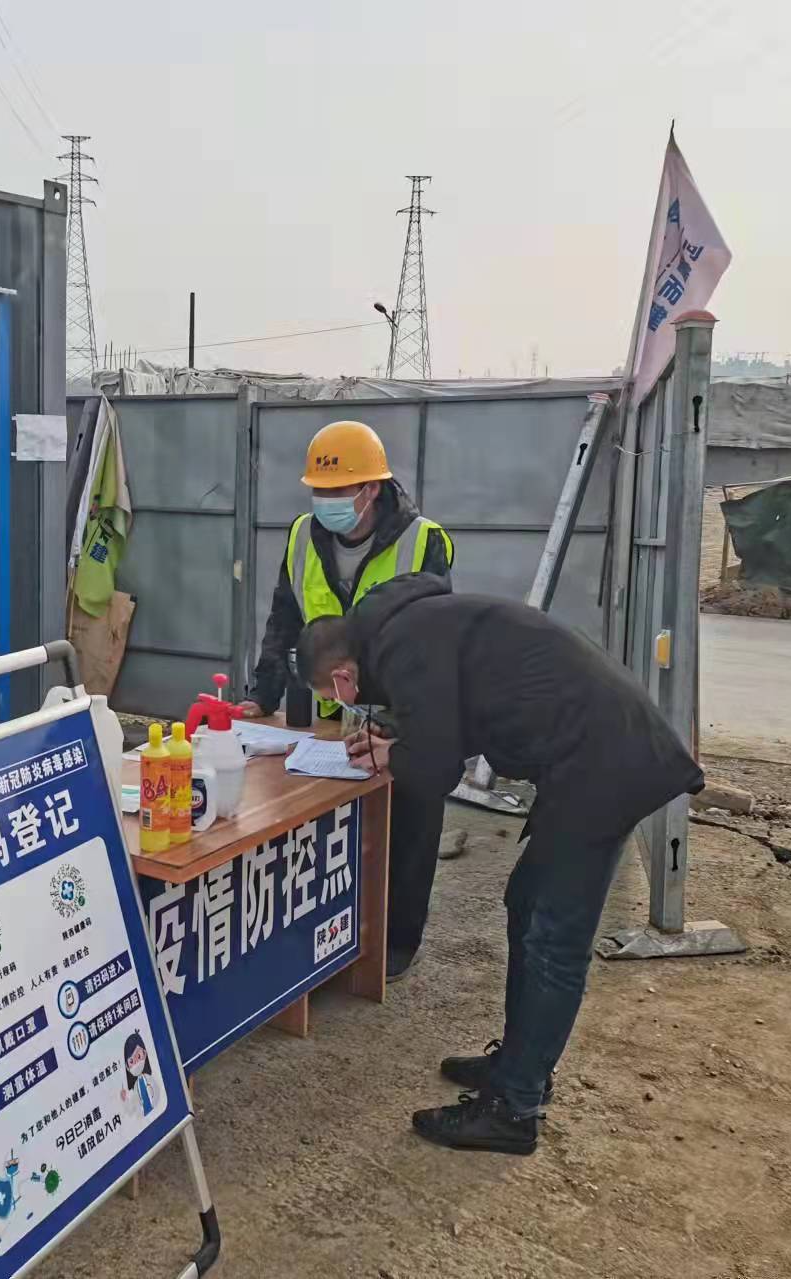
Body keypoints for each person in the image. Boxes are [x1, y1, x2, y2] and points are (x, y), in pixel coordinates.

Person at [296, 575, 701, 1154]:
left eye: (335, 696)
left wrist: (395, 756)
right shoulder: (413, 627)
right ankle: (519, 1064)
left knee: (553, 936)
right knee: (526, 903)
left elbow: (436, 770)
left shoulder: (402, 643)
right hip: (593, 750)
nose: (346, 705)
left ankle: (515, 1109)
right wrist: (398, 740)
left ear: (342, 677)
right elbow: (457, 718)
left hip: (606, 761)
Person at [241, 419, 454, 979]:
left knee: (409, 819)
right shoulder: (302, 536)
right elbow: (283, 618)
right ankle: (331, 934)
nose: (327, 501)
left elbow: (435, 639)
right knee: (322, 820)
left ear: (371, 489)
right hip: (328, 710)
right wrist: (262, 695)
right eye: (320, 489)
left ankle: (397, 941)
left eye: (339, 490)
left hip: (399, 706)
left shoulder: (423, 540)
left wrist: (402, 721)